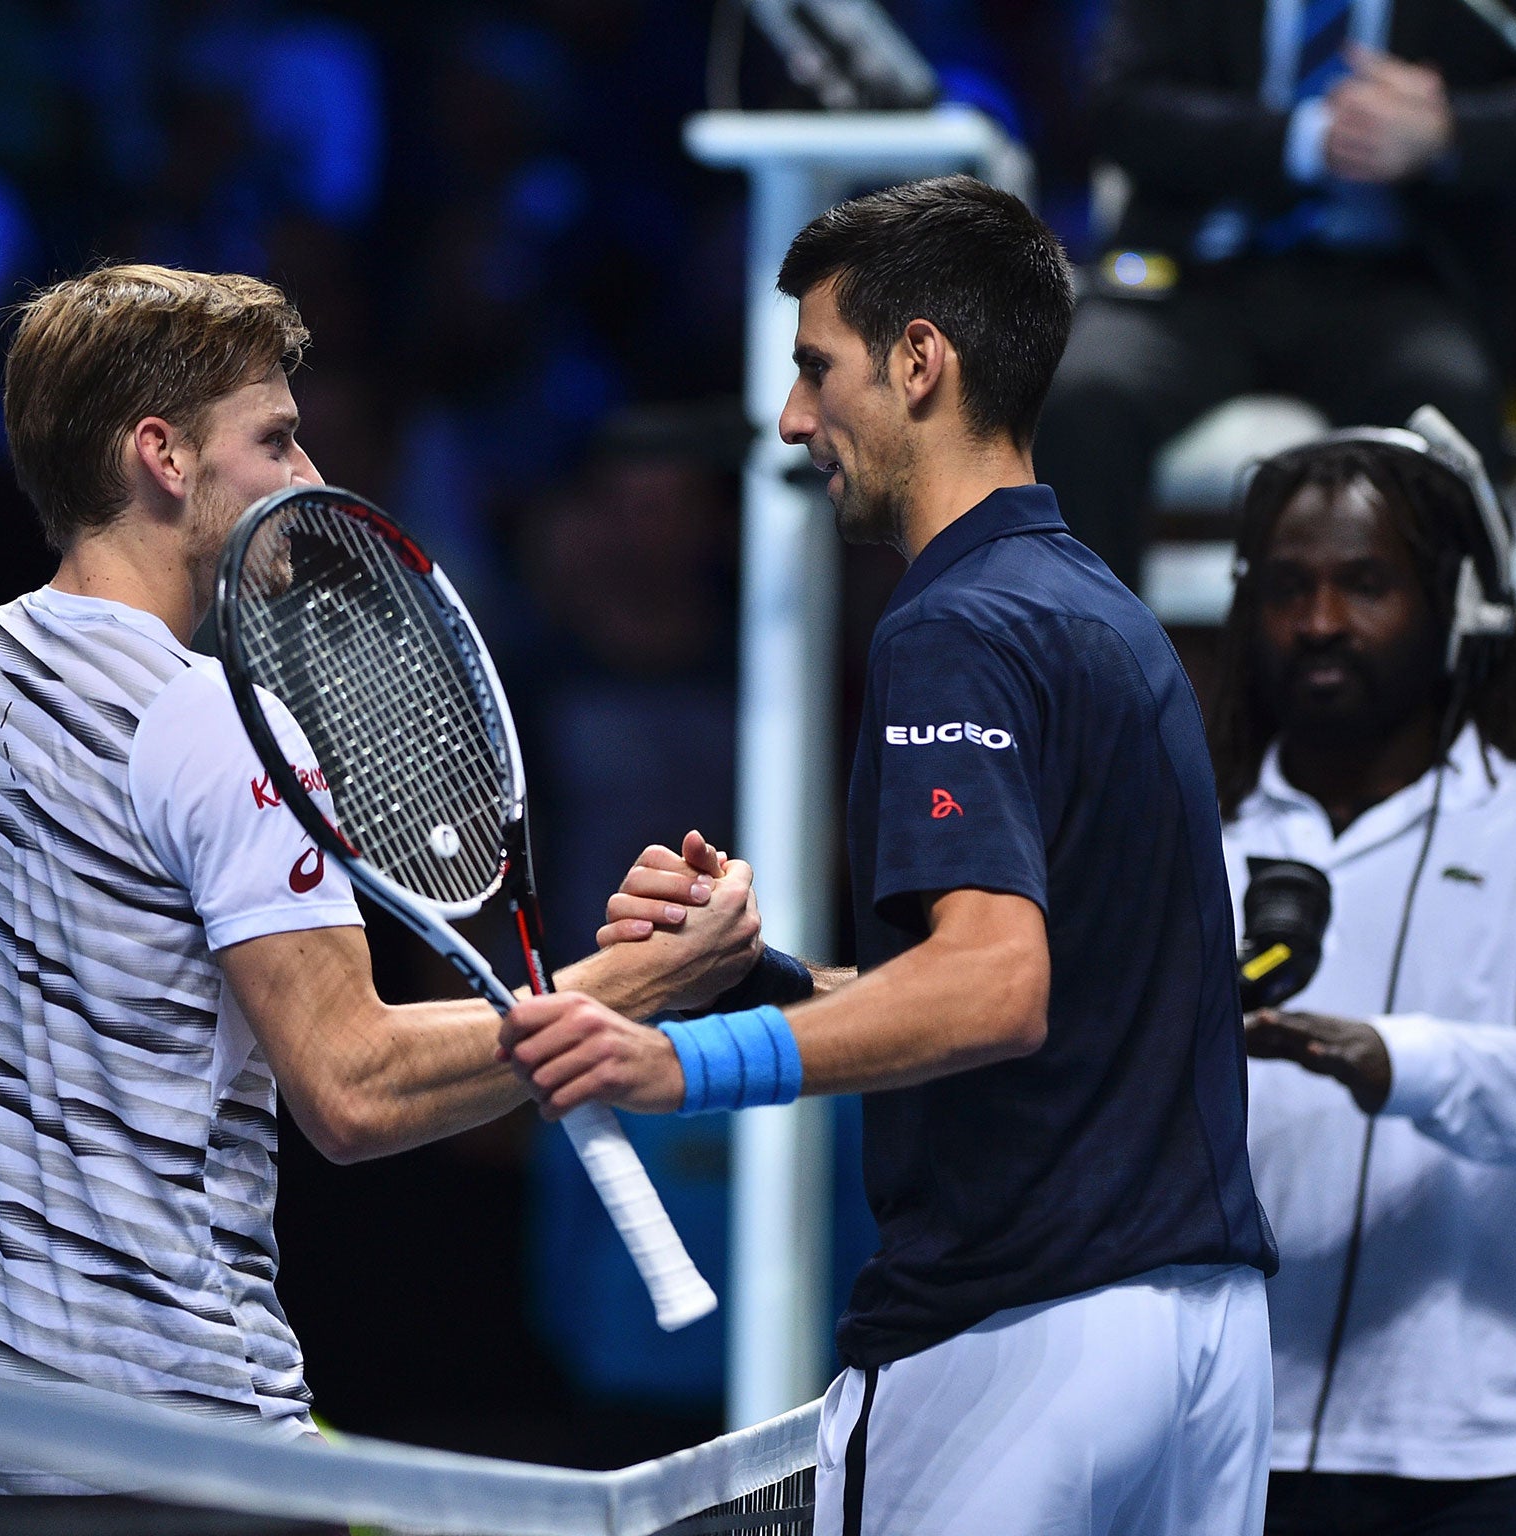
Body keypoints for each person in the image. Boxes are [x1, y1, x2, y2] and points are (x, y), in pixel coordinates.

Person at [0, 263, 761, 1514]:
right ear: (161, 454)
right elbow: (353, 1087)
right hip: (184, 1474)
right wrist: (637, 984)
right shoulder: (223, 723)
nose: (309, 479)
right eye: (274, 438)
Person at [501, 177, 1279, 1536]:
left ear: (920, 363)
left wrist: (680, 1061)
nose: (797, 418)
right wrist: (762, 981)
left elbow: (992, 990)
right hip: (1203, 1351)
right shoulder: (1105, 613)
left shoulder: (954, 629)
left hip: (1020, 1346)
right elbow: (1055, 989)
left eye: (817, 367)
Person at [1212, 415, 1516, 1534]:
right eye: (1286, 587)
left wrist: (1394, 1057)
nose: (1318, 622)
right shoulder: (1189, 831)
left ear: (1460, 605)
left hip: (1505, 1443)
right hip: (1240, 1434)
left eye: (1362, 583)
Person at [1034, 0, 1516, 590]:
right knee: (1080, 395)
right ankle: (1090, 672)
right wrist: (1300, 141)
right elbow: (1114, 105)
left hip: (1387, 284)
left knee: (1445, 404)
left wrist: (1448, 132)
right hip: (1194, 280)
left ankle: (1434, 676)